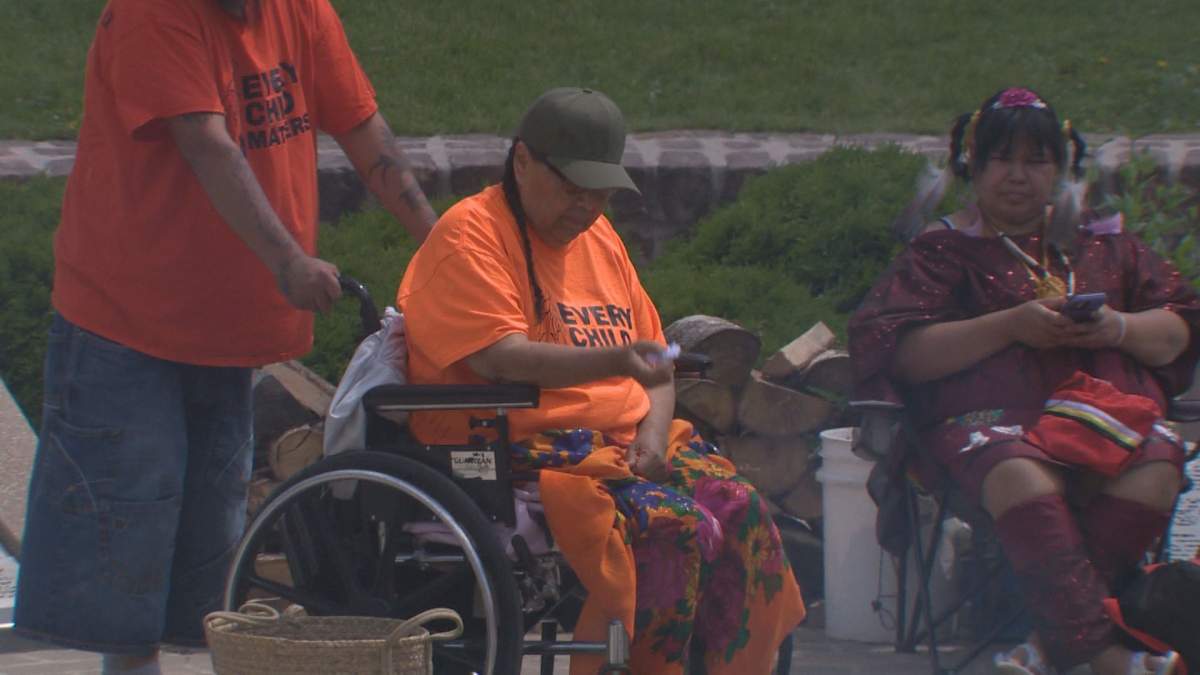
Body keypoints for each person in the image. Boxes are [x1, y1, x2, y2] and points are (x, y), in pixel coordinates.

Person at [13, 1, 436, 673]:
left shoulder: (298, 9)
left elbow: (362, 126)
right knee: (128, 544)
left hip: (223, 330)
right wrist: (288, 262)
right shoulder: (156, 14)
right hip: (126, 322)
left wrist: (442, 248)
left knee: (204, 565)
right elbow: (207, 142)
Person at [397, 87, 806, 674]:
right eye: (572, 187)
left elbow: (656, 363)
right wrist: (615, 363)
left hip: (623, 442)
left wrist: (651, 437)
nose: (587, 206)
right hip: (518, 445)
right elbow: (499, 358)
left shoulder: (601, 239)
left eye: (602, 191)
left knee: (739, 508)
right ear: (522, 162)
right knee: (671, 525)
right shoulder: (471, 235)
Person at [849, 87, 1200, 675]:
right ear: (973, 165)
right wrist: (1010, 325)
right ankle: (1110, 659)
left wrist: (1115, 328)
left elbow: (1179, 330)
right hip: (983, 424)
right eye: (1002, 159)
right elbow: (902, 353)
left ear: (1060, 169)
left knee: (1159, 460)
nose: (1018, 176)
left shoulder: (1103, 245)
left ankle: (1044, 645)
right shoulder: (943, 252)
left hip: (1098, 417)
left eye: (1036, 161)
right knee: (1018, 473)